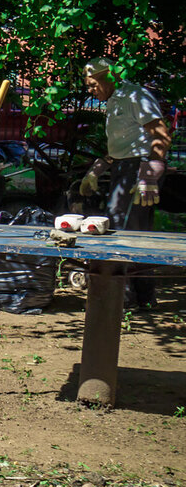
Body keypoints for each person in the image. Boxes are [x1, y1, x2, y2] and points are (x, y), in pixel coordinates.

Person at [79, 57, 173, 307]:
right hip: (125, 167)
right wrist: (96, 170)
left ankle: (123, 300)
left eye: (92, 84)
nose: (90, 90)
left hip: (139, 171)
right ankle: (144, 298)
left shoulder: (134, 96)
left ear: (108, 76)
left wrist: (150, 174)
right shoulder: (113, 101)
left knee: (120, 232)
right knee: (136, 234)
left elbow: (161, 135)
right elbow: (125, 144)